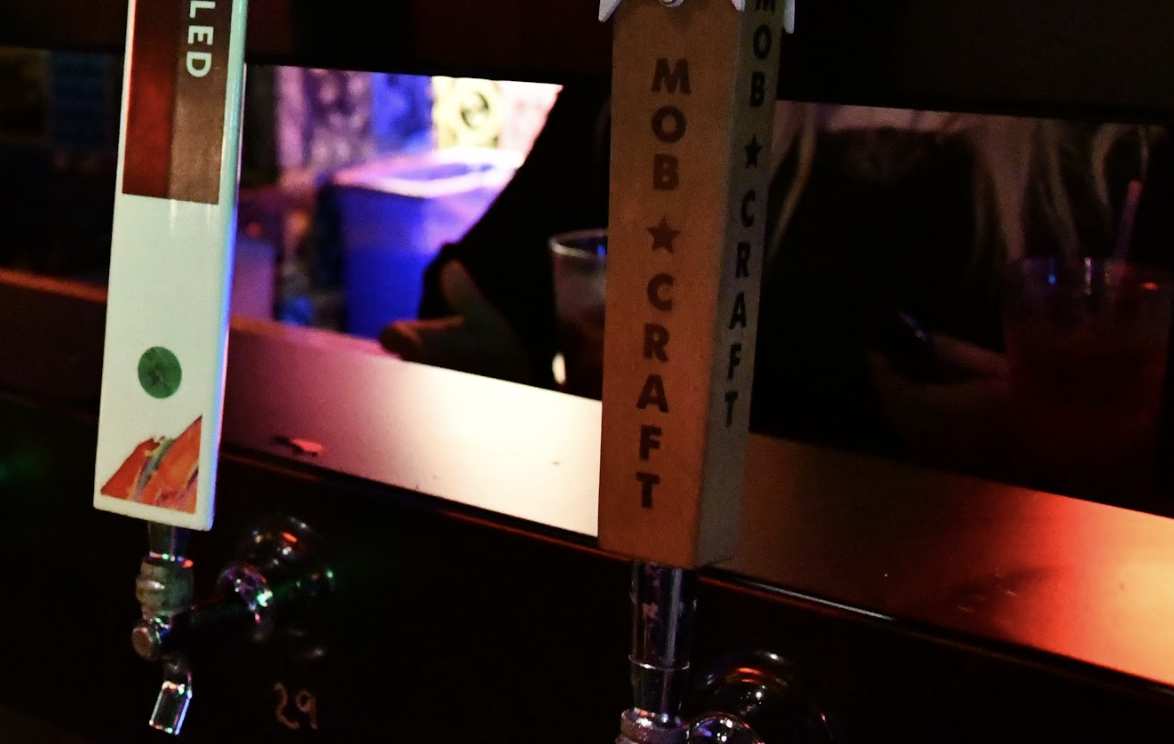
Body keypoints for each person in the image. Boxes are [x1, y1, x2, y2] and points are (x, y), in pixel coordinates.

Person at [380, 86, 1155, 485]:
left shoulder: (1117, 150)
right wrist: (488, 373)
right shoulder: (670, 68)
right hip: (689, 612)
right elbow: (499, 292)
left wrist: (1067, 449)